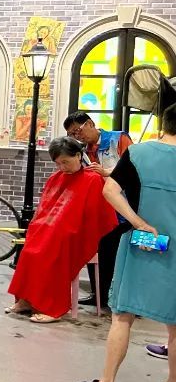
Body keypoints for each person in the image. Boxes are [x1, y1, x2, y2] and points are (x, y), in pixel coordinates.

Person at [76, 103, 176, 382]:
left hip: (143, 243)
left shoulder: (139, 153)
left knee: (122, 315)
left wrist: (139, 223)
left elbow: (110, 191)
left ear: (164, 122)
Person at [5, 138, 117, 323]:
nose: (62, 167)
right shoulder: (55, 178)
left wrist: (62, 228)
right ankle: (26, 300)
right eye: (58, 163)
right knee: (29, 250)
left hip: (77, 233)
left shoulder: (92, 179)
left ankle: (52, 307)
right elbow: (44, 210)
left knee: (51, 252)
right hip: (51, 229)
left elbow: (96, 216)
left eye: (65, 162)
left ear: (78, 156)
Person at [63, 111, 134, 309]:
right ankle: (99, 295)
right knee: (93, 249)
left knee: (115, 255)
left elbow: (133, 167)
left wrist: (106, 172)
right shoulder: (83, 151)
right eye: (72, 134)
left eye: (78, 131)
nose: (77, 136)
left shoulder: (118, 139)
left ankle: (119, 300)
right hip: (99, 208)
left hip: (123, 208)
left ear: (90, 123)